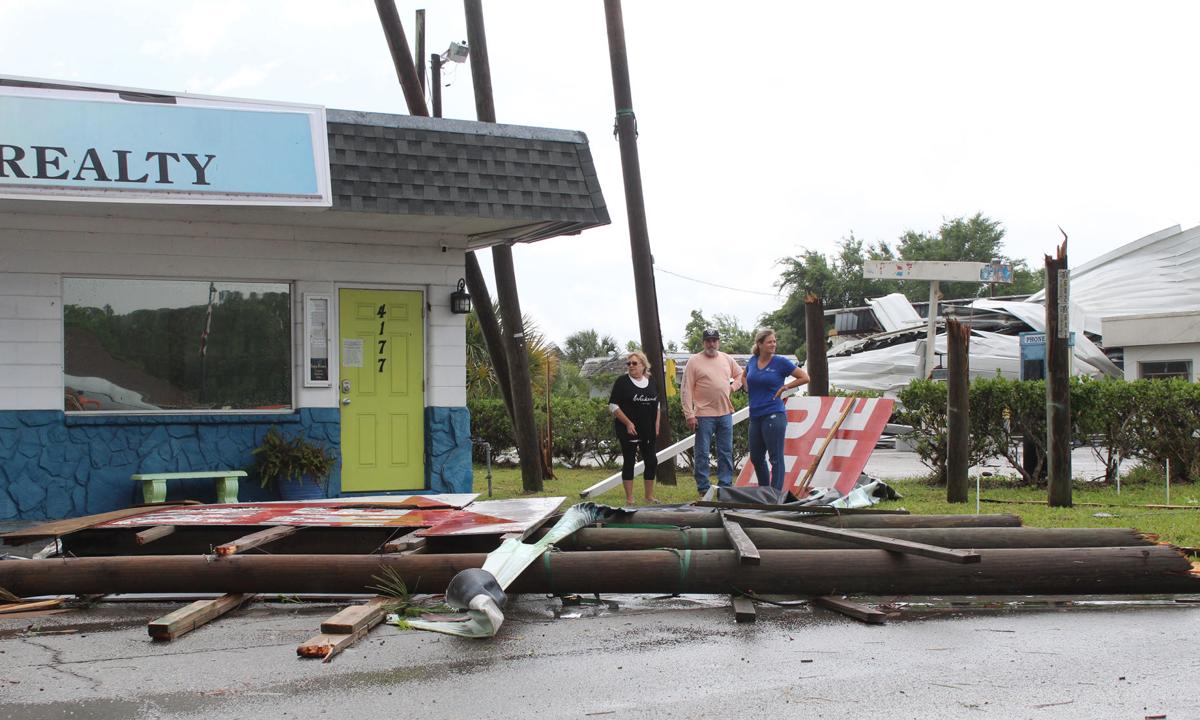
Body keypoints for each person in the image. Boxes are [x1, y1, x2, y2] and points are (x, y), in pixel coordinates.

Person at [745, 327, 809, 491]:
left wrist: (786, 387)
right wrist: (746, 387)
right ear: (759, 344)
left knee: (775, 457)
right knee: (756, 457)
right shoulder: (752, 361)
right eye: (769, 342)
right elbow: (745, 376)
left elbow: (805, 377)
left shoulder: (780, 362)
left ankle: (775, 495)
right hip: (755, 415)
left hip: (774, 413)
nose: (773, 344)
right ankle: (765, 491)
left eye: (774, 341)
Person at [681, 328, 743, 496]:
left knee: (726, 451)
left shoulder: (726, 358)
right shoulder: (694, 361)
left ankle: (725, 487)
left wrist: (733, 387)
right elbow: (686, 389)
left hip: (725, 413)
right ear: (703, 343)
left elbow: (741, 375)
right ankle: (703, 488)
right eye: (708, 340)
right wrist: (689, 414)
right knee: (702, 453)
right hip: (703, 414)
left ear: (718, 342)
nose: (711, 343)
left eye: (714, 340)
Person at [609, 350, 660, 505]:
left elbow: (657, 405)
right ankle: (630, 498)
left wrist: (657, 425)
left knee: (651, 461)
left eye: (634, 363)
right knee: (629, 461)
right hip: (628, 429)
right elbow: (613, 406)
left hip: (648, 428)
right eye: (628, 363)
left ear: (643, 365)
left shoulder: (651, 381)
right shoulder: (622, 382)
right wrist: (628, 423)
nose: (631, 366)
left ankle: (649, 496)